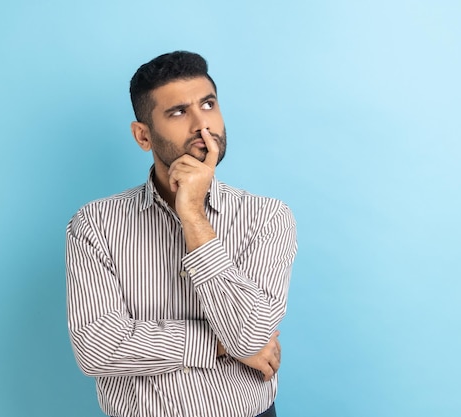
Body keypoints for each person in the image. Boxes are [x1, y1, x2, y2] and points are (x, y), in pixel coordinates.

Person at [66, 51, 297, 417]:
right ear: (143, 135)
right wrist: (219, 344)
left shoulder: (266, 217)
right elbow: (97, 348)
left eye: (208, 104)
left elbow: (252, 336)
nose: (201, 125)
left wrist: (192, 215)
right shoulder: (94, 224)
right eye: (178, 112)